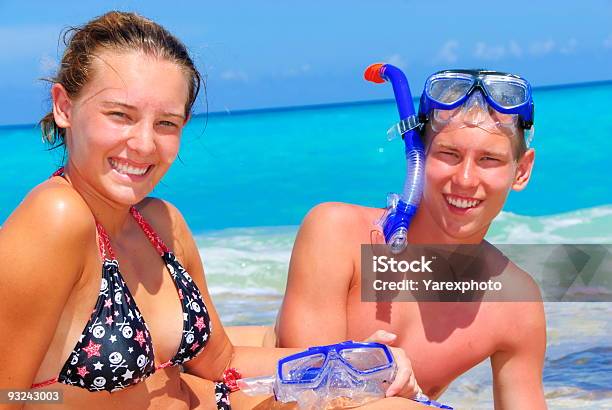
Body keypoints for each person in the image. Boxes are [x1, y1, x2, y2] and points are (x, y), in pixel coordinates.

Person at [0, 12, 424, 410]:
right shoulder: (56, 217)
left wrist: (344, 358)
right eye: (120, 115)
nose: (145, 144)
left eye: (166, 123)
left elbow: (222, 363)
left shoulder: (160, 224)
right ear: (64, 107)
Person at [274, 68, 547, 409]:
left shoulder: (516, 304)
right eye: (449, 154)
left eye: (488, 160)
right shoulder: (336, 234)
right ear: (417, 154)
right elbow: (301, 399)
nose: (464, 179)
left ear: (521, 170)